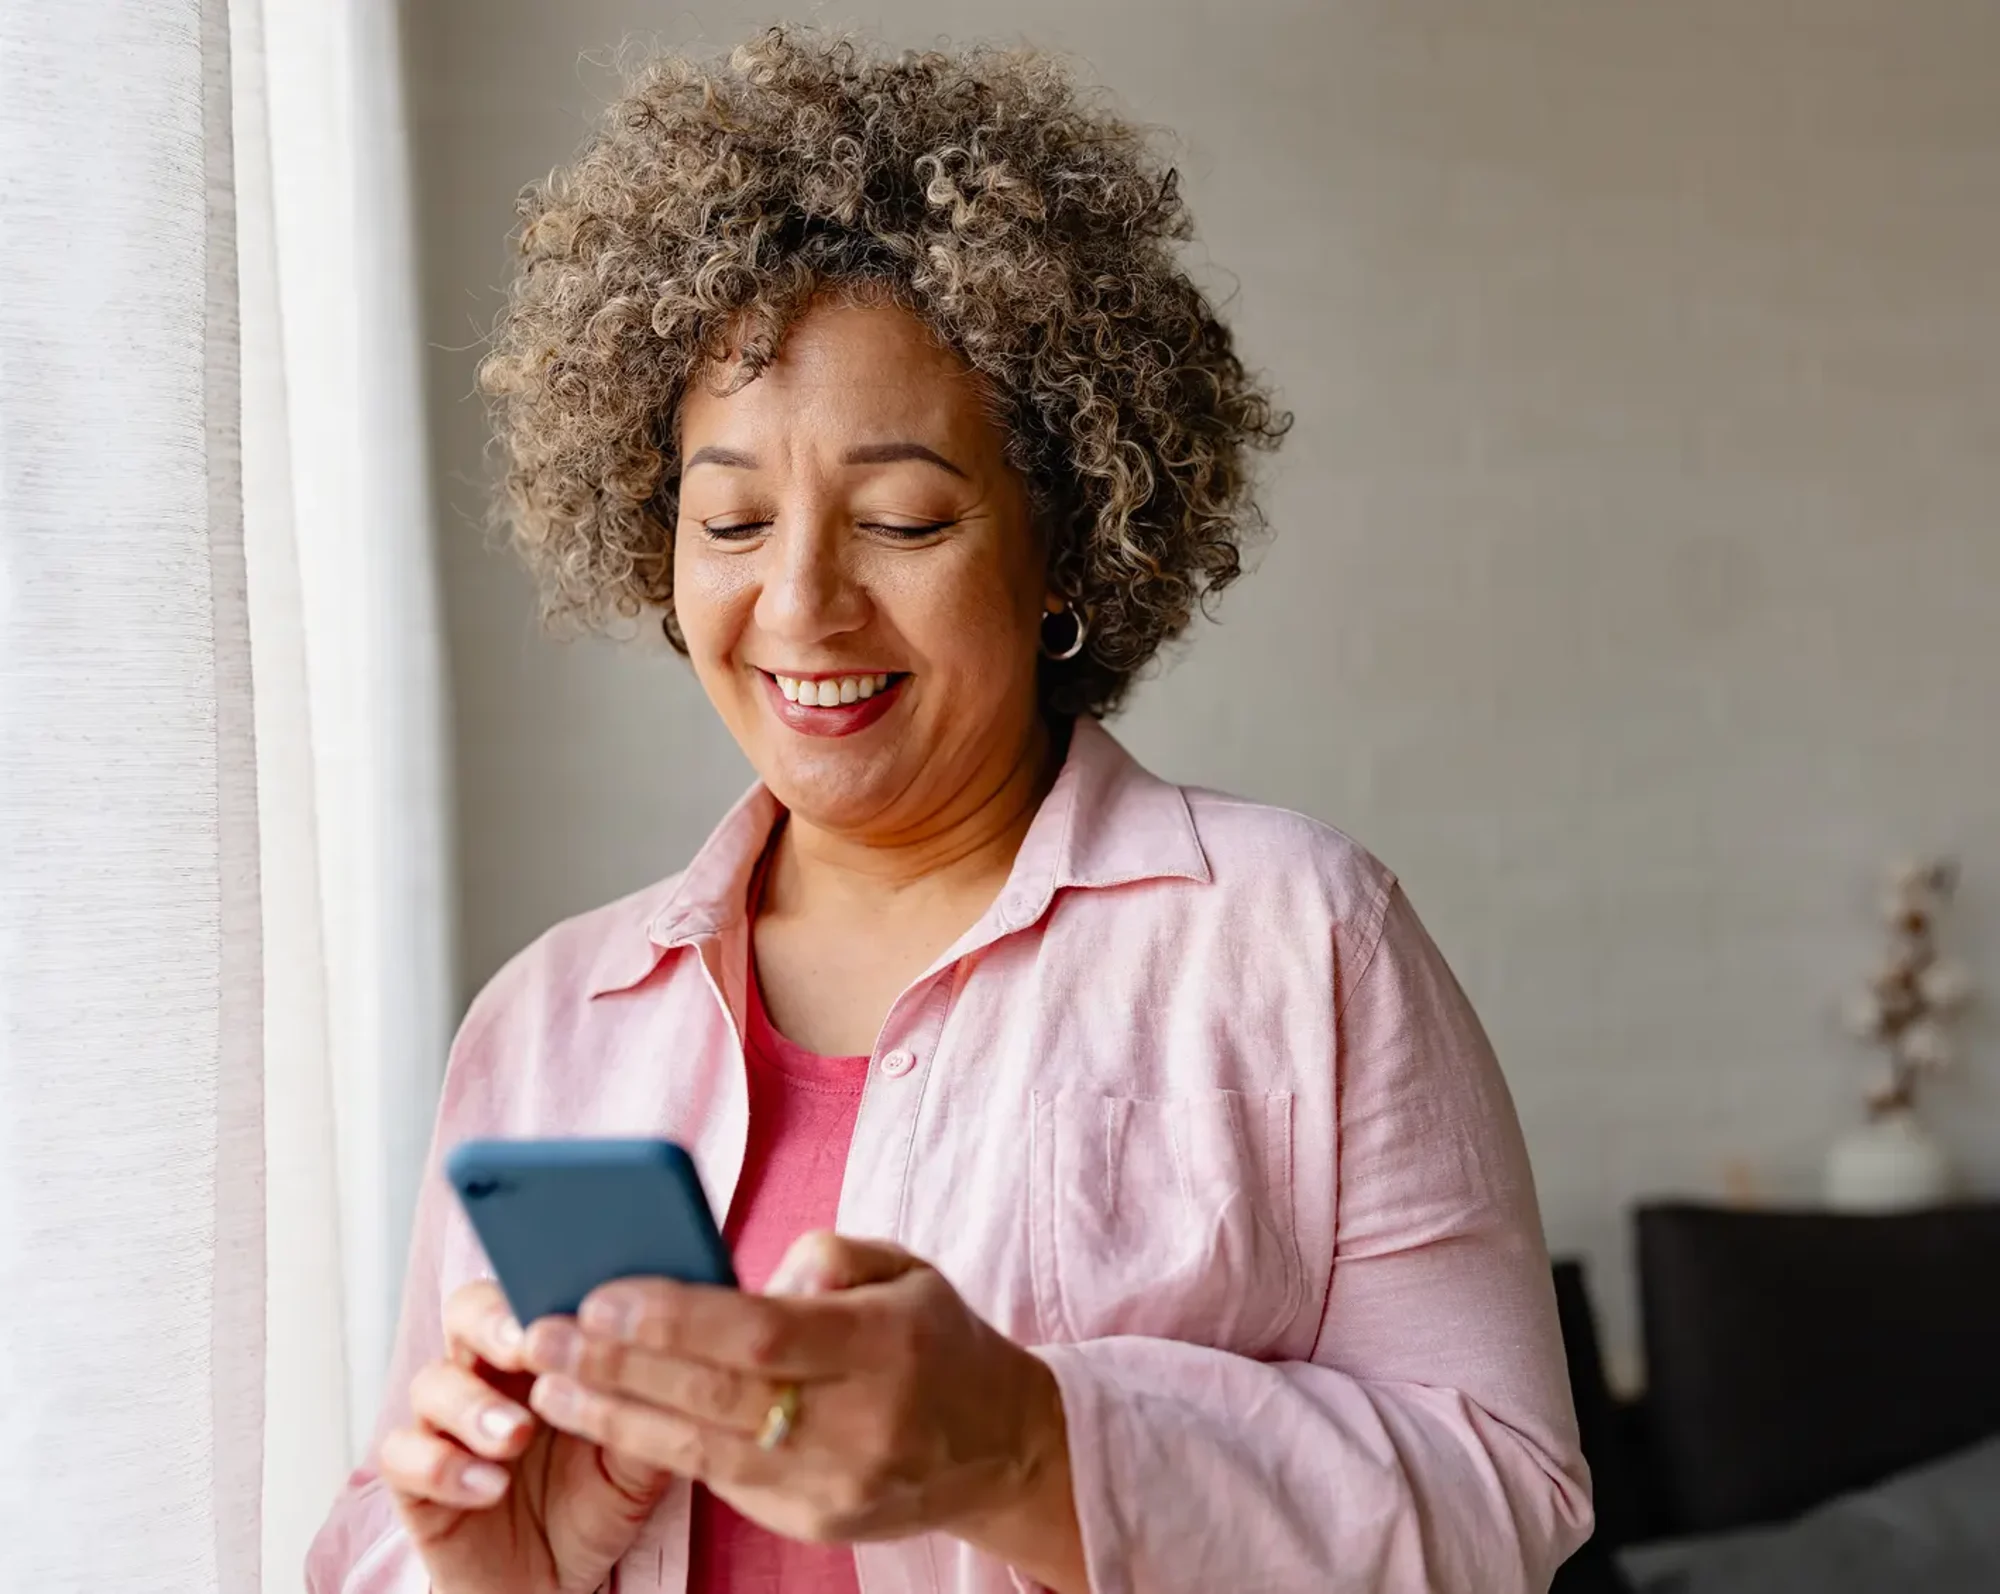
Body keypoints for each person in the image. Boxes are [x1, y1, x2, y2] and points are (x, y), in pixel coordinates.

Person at [308, 27, 1592, 1594]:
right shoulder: (548, 1024)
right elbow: (388, 1525)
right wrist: (498, 1566)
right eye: (729, 518)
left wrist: (1026, 1445)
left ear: (1064, 544)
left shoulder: (1302, 940)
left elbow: (1505, 1500)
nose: (799, 603)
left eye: (903, 516)